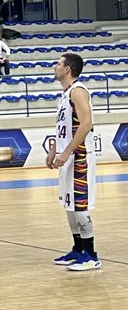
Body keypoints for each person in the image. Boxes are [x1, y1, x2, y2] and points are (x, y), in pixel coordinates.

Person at [46, 54, 100, 271]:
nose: (54, 66)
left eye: (58, 64)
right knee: (69, 205)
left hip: (80, 157)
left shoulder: (78, 91)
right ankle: (78, 249)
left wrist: (67, 151)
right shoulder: (65, 94)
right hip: (68, 155)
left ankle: (91, 255)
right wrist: (54, 150)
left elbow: (87, 124)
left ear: (67, 69)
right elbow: (65, 129)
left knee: (79, 205)